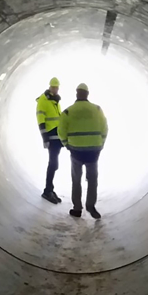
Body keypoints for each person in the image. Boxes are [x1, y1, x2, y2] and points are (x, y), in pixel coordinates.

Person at [58, 83, 108, 219]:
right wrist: (101, 143)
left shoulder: (68, 111)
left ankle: (77, 208)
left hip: (76, 151)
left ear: (76, 94)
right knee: (92, 180)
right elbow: (105, 128)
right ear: (87, 94)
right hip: (93, 151)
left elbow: (61, 130)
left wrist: (66, 144)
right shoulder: (97, 110)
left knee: (76, 179)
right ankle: (91, 206)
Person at [36, 77, 63, 204]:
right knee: (53, 164)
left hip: (57, 136)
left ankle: (50, 189)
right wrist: (44, 138)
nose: (55, 90)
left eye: (57, 88)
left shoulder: (55, 101)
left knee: (54, 164)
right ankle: (47, 191)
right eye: (53, 87)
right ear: (50, 87)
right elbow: (40, 120)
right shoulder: (44, 100)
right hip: (51, 136)